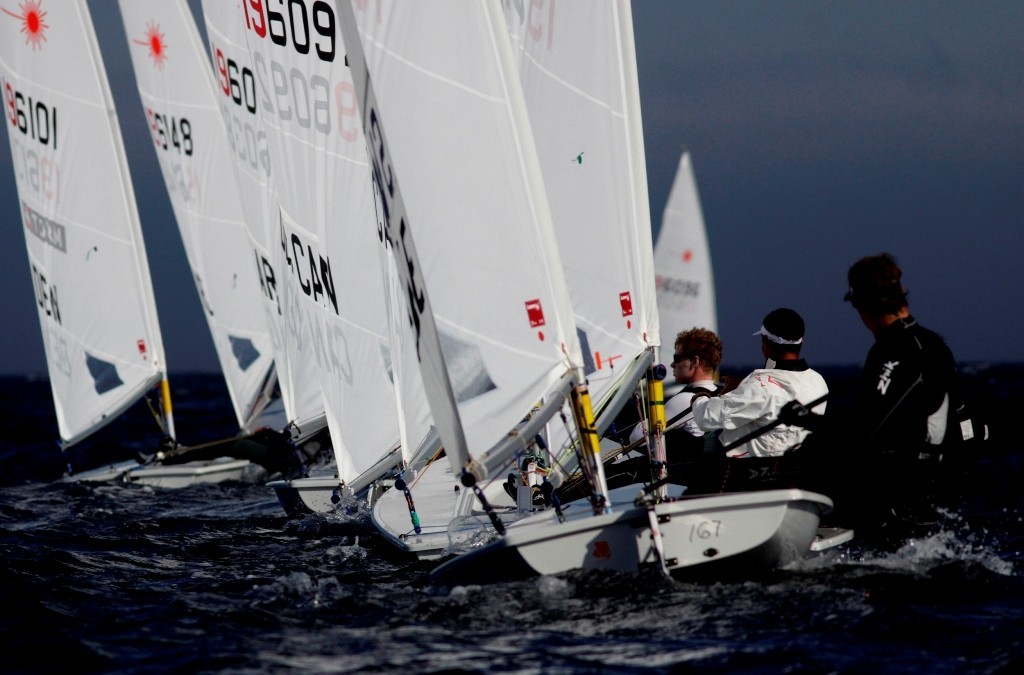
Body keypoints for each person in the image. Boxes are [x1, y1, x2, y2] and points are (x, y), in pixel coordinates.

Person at [833, 252, 961, 534]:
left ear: (864, 305)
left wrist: (808, 420)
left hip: (895, 494)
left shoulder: (893, 349)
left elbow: (868, 425)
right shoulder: (933, 344)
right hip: (930, 491)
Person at [690, 307, 828, 459]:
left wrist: (700, 394)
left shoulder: (759, 385)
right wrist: (742, 389)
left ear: (765, 341)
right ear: (801, 342)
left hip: (755, 477)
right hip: (797, 474)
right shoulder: (818, 381)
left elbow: (706, 417)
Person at [628, 327, 722, 448]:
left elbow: (635, 438)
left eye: (677, 359)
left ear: (695, 361)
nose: (672, 364)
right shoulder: (724, 395)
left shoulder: (686, 400)